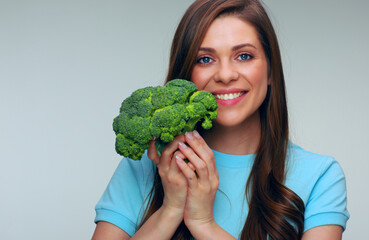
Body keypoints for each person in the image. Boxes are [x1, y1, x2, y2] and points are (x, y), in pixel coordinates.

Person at [91, 0, 349, 239]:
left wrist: (204, 223)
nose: (225, 75)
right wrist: (170, 210)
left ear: (271, 70)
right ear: (186, 74)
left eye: (244, 56)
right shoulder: (146, 166)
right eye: (205, 59)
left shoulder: (319, 176)